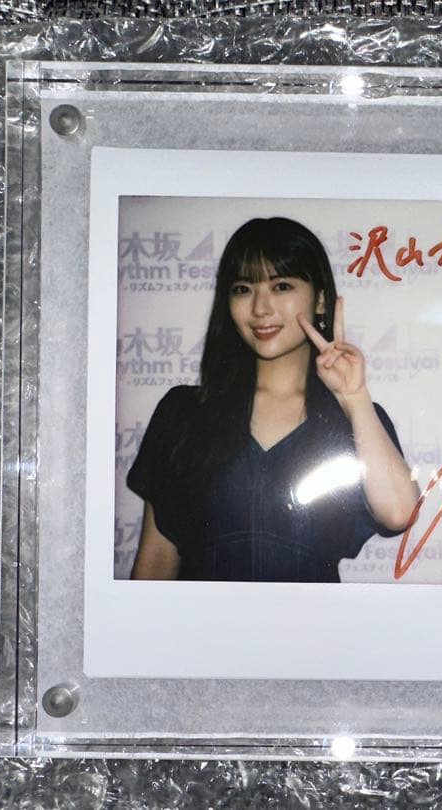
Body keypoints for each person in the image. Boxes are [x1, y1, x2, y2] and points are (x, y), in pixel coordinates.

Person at [126, 217, 419, 582]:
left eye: (281, 286)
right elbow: (155, 558)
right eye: (243, 289)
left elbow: (399, 513)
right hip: (200, 619)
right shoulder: (183, 412)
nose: (261, 308)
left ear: (320, 300)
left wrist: (354, 397)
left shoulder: (355, 419)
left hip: (311, 620)